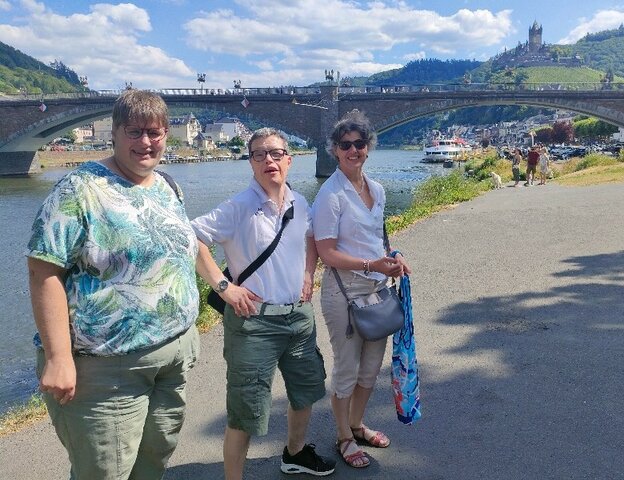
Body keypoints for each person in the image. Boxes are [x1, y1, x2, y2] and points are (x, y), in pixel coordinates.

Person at [26, 89, 200, 480]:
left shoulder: (166, 185)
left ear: (166, 135)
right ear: (115, 133)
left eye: (154, 133)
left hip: (170, 359)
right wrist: (58, 358)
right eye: (134, 132)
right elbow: (43, 272)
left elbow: (181, 251)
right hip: (106, 368)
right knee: (104, 472)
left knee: (153, 460)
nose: (145, 142)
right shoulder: (79, 190)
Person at [191, 128, 335, 479]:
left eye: (275, 153)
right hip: (253, 322)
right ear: (251, 164)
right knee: (245, 410)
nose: (268, 160)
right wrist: (225, 287)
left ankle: (296, 454)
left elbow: (310, 236)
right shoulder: (240, 207)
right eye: (259, 154)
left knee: (305, 393)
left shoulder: (300, 203)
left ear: (289, 159)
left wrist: (307, 273)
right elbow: (191, 237)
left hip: (298, 319)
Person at [312, 110, 412, 469]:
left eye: (359, 143)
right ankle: (342, 437)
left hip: (377, 289)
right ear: (335, 151)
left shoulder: (377, 189)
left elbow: (375, 241)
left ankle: (356, 424)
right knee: (347, 369)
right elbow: (326, 252)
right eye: (345, 145)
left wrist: (393, 257)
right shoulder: (330, 194)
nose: (353, 150)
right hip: (344, 292)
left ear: (368, 147)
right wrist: (372, 265)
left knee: (371, 369)